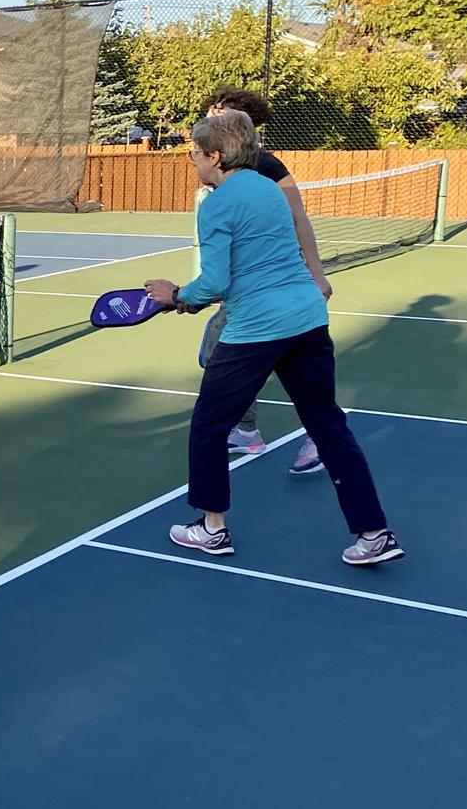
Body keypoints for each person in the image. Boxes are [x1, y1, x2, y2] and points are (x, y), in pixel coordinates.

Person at [143, 109, 401, 566]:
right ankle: (374, 533)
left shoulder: (216, 203)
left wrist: (176, 295)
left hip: (256, 329)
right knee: (327, 425)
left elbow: (215, 281)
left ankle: (211, 529)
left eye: (195, 155)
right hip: (306, 318)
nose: (193, 163)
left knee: (208, 426)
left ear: (215, 156)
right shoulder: (267, 189)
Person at [196, 87, 331, 475]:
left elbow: (298, 218)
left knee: (258, 360)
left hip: (276, 290)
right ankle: (247, 430)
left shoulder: (265, 165)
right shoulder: (216, 170)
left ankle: (317, 433)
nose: (211, 116)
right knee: (221, 355)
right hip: (242, 289)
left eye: (218, 113)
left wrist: (317, 274)